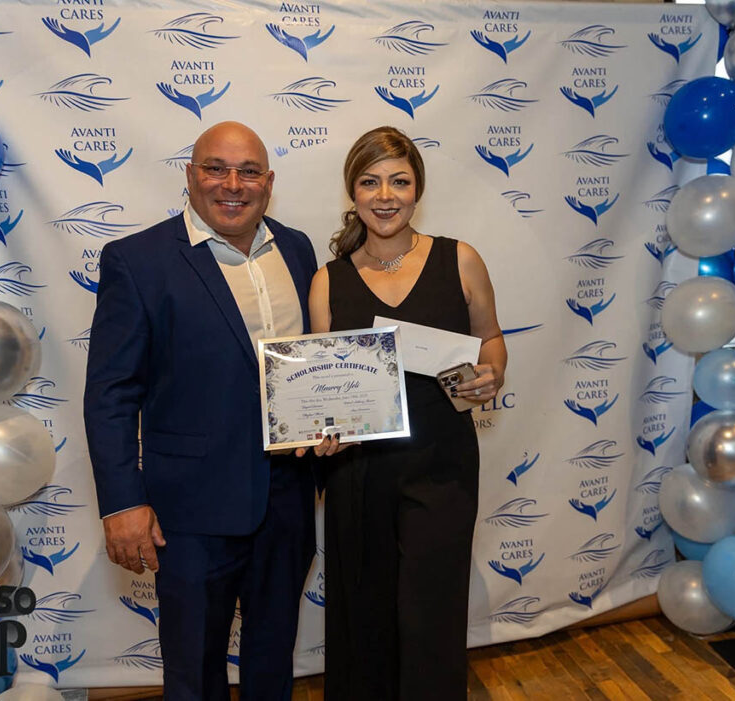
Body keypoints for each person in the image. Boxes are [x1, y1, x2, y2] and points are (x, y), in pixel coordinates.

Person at [83, 121, 318, 700]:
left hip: (287, 498)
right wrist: (123, 502)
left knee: (273, 657)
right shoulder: (137, 260)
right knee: (193, 669)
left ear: (269, 182)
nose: (232, 184)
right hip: (189, 510)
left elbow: (313, 367)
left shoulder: (297, 248)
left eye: (248, 172)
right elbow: (111, 393)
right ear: (190, 175)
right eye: (215, 168)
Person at [308, 126, 508, 699]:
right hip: (358, 473)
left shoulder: (459, 259)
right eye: (370, 182)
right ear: (352, 192)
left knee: (432, 614)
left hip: (442, 465)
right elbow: (321, 386)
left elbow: (490, 338)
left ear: (417, 189)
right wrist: (321, 429)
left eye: (399, 181)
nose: (385, 195)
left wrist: (492, 374)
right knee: (363, 614)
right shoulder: (328, 281)